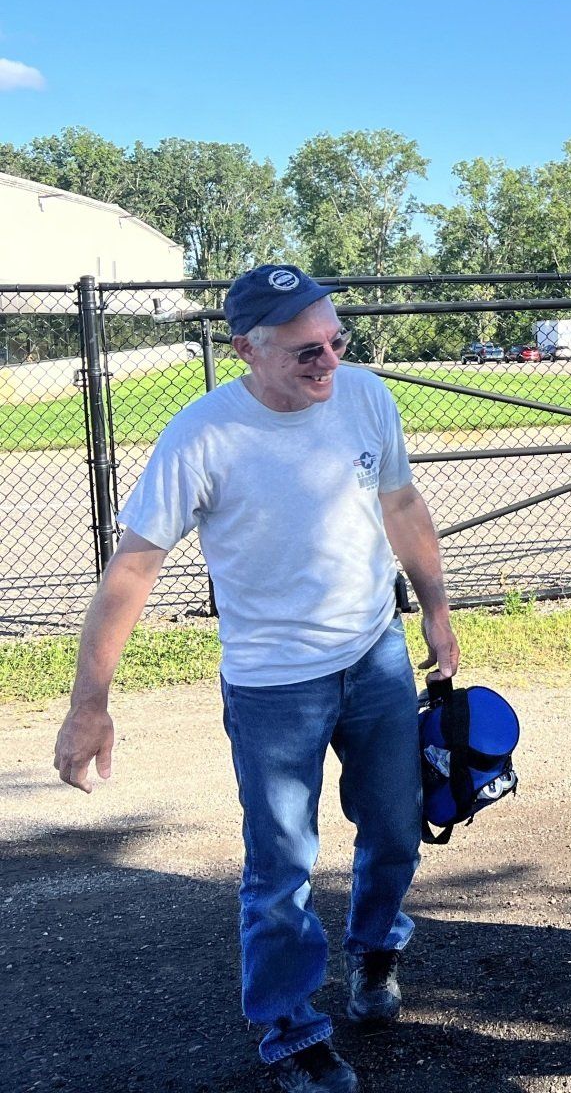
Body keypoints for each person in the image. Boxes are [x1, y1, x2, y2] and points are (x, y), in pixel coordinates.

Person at [52, 265, 459, 1093]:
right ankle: (290, 1028)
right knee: (281, 866)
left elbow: (402, 505)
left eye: (337, 341)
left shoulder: (365, 396)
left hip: (374, 655)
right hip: (274, 685)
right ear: (246, 348)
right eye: (307, 351)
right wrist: (89, 704)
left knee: (395, 828)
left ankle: (375, 950)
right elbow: (133, 567)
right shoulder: (203, 435)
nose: (330, 362)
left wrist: (436, 611)